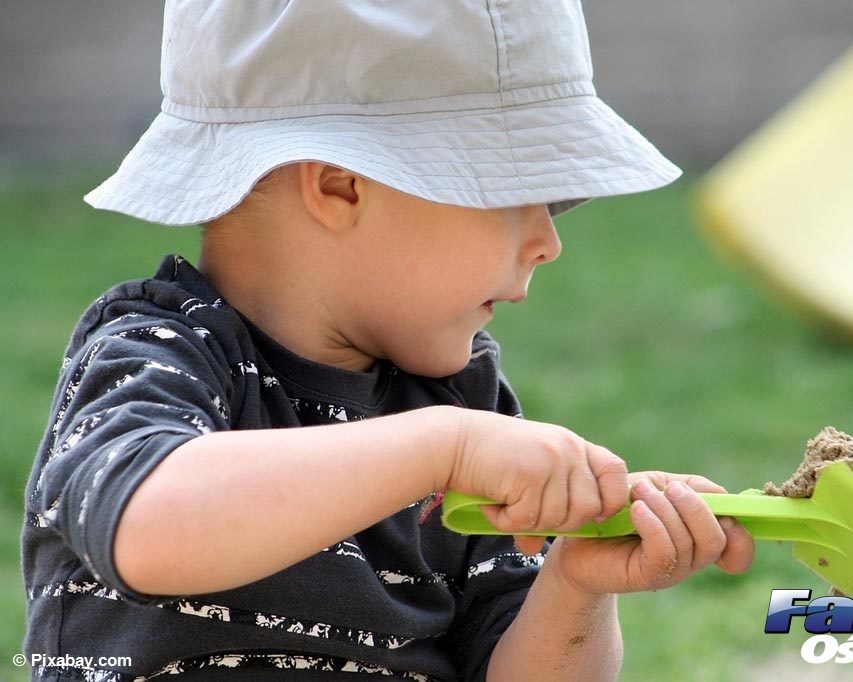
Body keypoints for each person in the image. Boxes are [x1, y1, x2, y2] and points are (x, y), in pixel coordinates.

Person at [22, 1, 754, 680]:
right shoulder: (158, 351)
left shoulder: (464, 405)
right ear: (341, 185)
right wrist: (439, 450)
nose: (548, 241)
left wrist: (574, 584)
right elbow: (148, 530)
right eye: (516, 192)